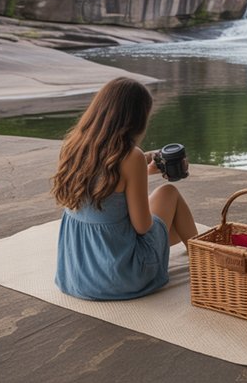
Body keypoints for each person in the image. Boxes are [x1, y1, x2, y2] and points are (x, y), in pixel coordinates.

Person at [51, 77, 198, 300]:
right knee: (169, 194)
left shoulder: (73, 146)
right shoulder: (131, 157)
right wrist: (140, 171)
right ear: (136, 120)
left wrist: (142, 171)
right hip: (119, 278)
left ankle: (198, 247)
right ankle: (203, 254)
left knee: (176, 224)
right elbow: (142, 226)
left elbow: (103, 189)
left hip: (77, 275)